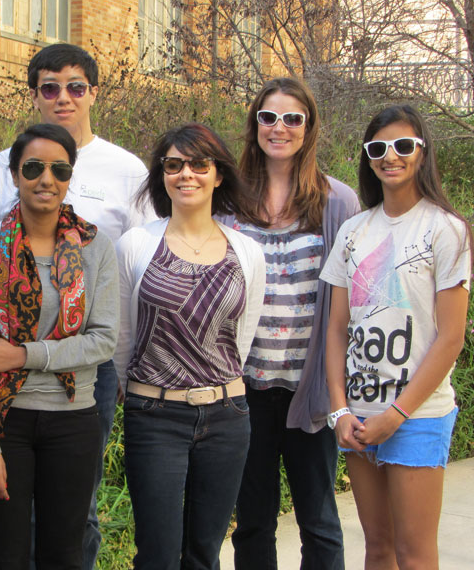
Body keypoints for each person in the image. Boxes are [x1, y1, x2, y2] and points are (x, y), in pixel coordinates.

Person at [0, 43, 150, 567]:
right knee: (13, 507)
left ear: (94, 93)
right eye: (50, 88)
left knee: (79, 510)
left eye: (76, 87)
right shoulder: (4, 166)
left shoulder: (126, 170)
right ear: (36, 95)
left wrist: (124, 364)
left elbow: (138, 271)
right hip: (8, 373)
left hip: (87, 369)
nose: (63, 98)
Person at [0, 123, 119, 569]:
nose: (46, 179)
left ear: (70, 177)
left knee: (64, 555)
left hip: (74, 420)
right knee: (6, 556)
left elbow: (102, 340)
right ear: (13, 174)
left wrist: (22, 354)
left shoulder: (95, 248)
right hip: (6, 423)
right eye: (33, 167)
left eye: (59, 169)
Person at [322, 105, 471, 569]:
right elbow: (336, 329)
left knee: (414, 553)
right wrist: (340, 410)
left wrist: (398, 414)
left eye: (404, 146)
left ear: (422, 154)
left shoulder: (446, 229)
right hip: (361, 416)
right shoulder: (353, 230)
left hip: (417, 415)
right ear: (367, 158)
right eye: (378, 148)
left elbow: (450, 338)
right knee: (378, 549)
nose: (391, 156)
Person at [220, 77, 358, 569]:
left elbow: (349, 302)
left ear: (309, 128)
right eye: (268, 116)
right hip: (245, 388)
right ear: (255, 122)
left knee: (318, 520)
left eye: (292, 118)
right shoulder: (228, 201)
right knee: (252, 519)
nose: (279, 127)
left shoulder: (336, 202)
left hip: (311, 391)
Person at [114, 123, 266, 569]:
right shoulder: (137, 244)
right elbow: (124, 338)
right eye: (174, 164)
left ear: (218, 174)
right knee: (158, 554)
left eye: (200, 164)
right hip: (154, 417)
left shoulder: (247, 252)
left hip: (226, 417)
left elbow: (243, 337)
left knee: (204, 553)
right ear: (162, 175)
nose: (187, 174)